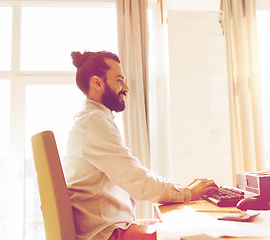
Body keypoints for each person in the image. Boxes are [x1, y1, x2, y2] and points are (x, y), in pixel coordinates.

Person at [64, 51, 219, 240]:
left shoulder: (92, 120)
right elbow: (137, 181)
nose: (126, 88)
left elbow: (135, 175)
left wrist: (185, 189)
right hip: (106, 234)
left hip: (112, 228)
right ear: (97, 82)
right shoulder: (94, 123)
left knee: (186, 226)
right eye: (119, 80)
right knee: (193, 234)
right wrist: (188, 193)